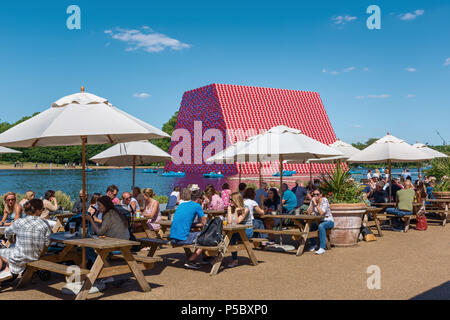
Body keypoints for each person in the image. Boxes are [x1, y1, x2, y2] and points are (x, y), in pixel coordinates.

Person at [0, 199, 51, 281]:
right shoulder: (45, 224)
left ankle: (7, 270)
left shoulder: (20, 222)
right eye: (42, 209)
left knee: (2, 251)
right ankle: (8, 270)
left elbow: (7, 233)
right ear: (38, 210)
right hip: (35, 256)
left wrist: (12, 237)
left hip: (19, 256)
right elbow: (47, 243)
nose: (43, 210)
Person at [85, 196, 130, 266]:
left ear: (105, 205)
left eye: (99, 205)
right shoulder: (115, 212)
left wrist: (91, 220)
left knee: (88, 248)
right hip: (124, 241)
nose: (98, 208)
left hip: (118, 245)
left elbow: (100, 232)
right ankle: (85, 265)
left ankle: (105, 267)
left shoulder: (108, 214)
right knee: (91, 248)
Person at [169, 188, 207, 270]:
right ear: (199, 199)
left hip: (172, 237)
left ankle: (206, 257)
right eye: (202, 199)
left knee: (197, 235)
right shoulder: (197, 206)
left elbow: (185, 221)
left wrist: (195, 224)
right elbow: (204, 222)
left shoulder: (181, 205)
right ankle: (190, 260)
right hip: (182, 238)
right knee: (205, 238)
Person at [227, 192, 253, 268]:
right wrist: (229, 210)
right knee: (227, 236)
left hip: (247, 231)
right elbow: (229, 222)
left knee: (232, 237)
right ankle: (219, 257)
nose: (230, 201)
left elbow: (237, 221)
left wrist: (235, 211)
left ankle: (235, 260)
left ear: (236, 200)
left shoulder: (246, 208)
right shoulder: (232, 207)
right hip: (237, 230)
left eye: (231, 199)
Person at [306, 188, 334, 255]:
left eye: (317, 194)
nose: (315, 196)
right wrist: (312, 204)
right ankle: (313, 244)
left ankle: (322, 248)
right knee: (311, 225)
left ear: (321, 195)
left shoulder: (325, 200)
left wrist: (315, 204)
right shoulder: (313, 201)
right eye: (314, 194)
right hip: (318, 221)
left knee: (321, 226)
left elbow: (322, 213)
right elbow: (308, 213)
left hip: (328, 221)